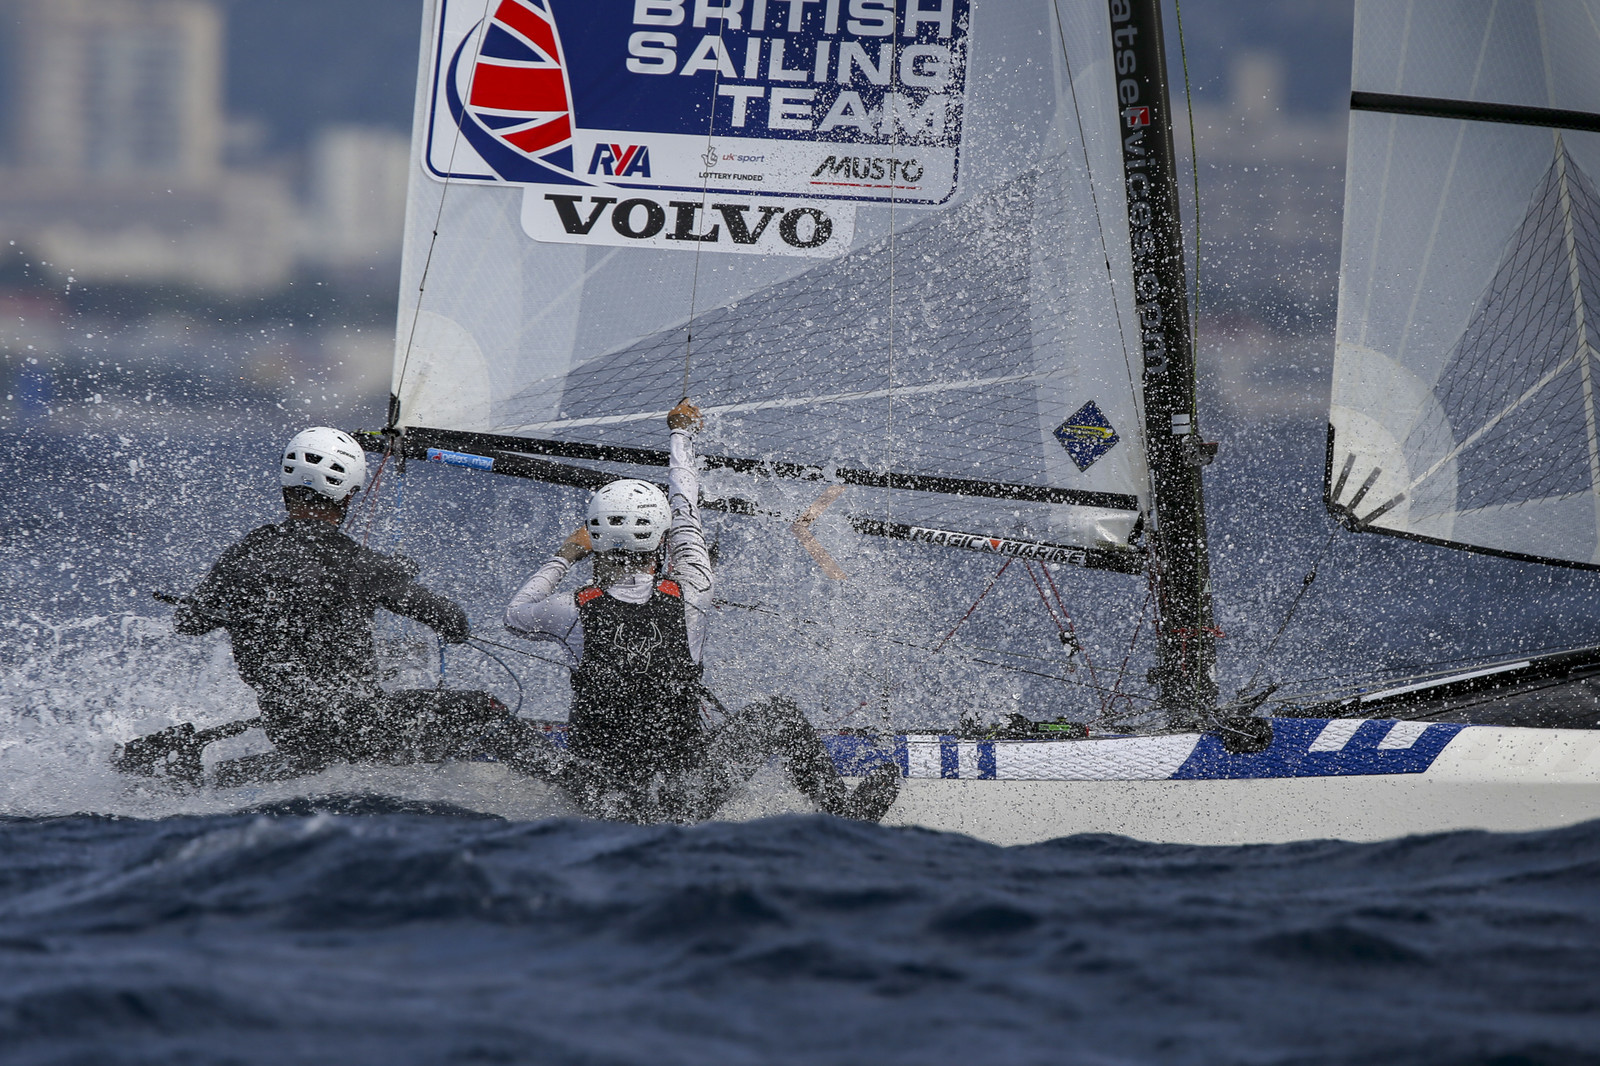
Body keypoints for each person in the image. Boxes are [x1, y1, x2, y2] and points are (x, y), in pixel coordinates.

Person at [504, 399, 900, 824]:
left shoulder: (570, 610)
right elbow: (685, 507)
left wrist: (565, 556)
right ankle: (844, 817)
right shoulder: (693, 589)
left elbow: (515, 613)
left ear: (594, 540)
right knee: (780, 715)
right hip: (686, 799)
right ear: (662, 538)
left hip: (605, 800)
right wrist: (681, 432)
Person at [157, 426, 555, 786]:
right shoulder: (359, 564)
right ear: (348, 493)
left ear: (285, 485)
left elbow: (188, 622)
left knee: (325, 717)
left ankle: (235, 774)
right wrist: (414, 594)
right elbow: (449, 617)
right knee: (481, 709)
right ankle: (583, 788)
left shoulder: (246, 554)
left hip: (290, 730)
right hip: (361, 729)